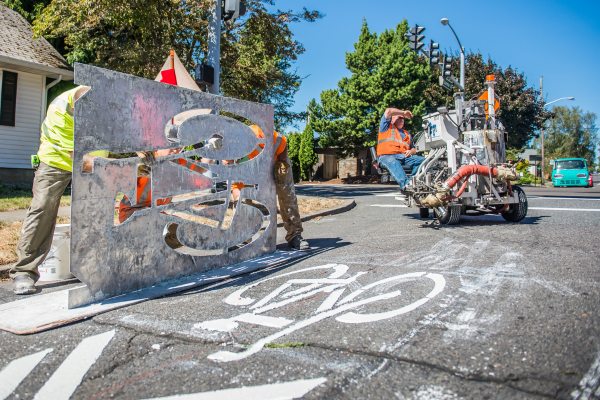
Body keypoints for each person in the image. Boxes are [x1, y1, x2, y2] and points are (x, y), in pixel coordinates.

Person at [10, 85, 107, 295]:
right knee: (43, 207)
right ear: (75, 107)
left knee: (98, 208)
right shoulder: (59, 110)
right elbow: (78, 157)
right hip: (56, 160)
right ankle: (24, 270)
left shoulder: (103, 104)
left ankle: (93, 265)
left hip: (93, 158)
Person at [230, 125, 309, 250]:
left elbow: (281, 142)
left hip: (275, 160)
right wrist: (239, 202)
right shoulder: (229, 156)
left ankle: (295, 235)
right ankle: (243, 239)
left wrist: (281, 165)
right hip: (248, 169)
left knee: (287, 195)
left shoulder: (262, 134)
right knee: (241, 199)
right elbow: (236, 187)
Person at [376, 107, 425, 193]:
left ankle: (412, 182)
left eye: (403, 118)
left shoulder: (407, 133)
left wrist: (411, 152)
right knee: (393, 161)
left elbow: (414, 149)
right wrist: (403, 112)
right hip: (386, 157)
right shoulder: (385, 127)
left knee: (424, 161)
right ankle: (406, 185)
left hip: (403, 157)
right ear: (392, 119)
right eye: (399, 117)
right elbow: (388, 111)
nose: (402, 119)